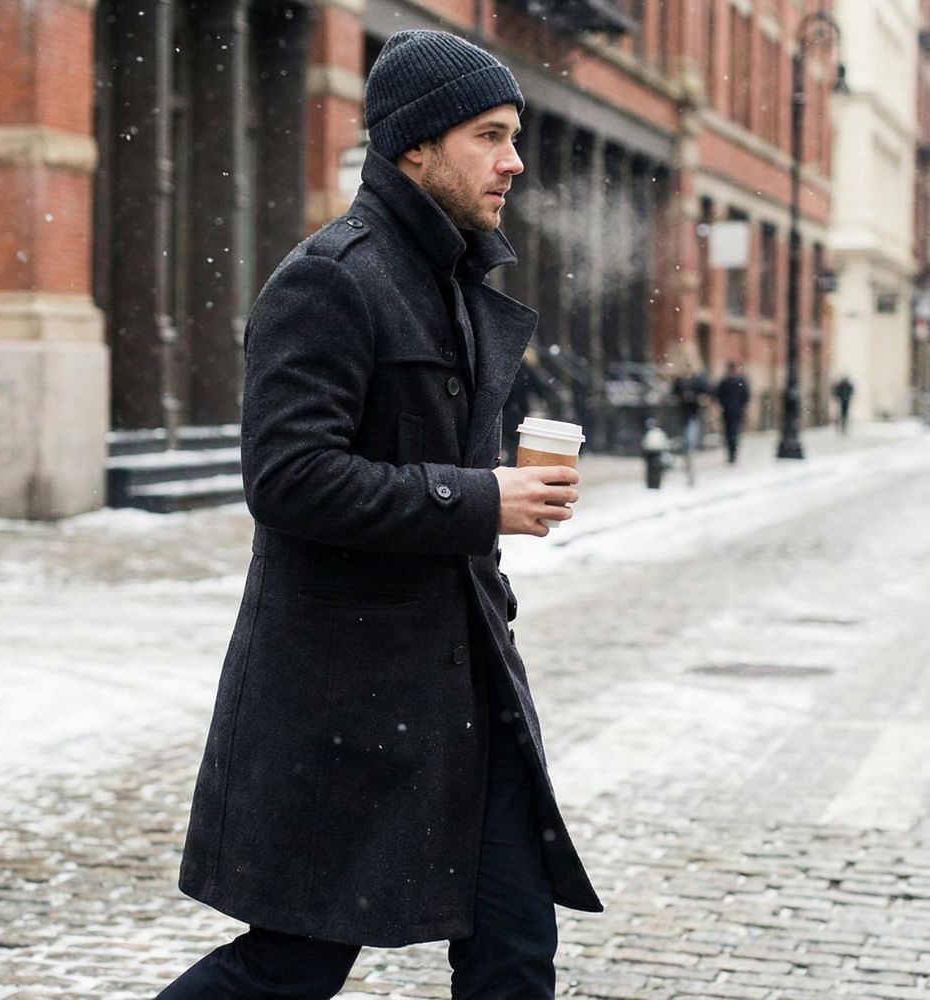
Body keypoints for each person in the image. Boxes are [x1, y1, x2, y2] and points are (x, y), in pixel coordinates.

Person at [155, 29, 601, 1000]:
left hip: (468, 687)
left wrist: (494, 499)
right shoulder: (332, 278)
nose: (513, 161)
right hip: (347, 698)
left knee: (514, 948)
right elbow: (290, 478)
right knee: (291, 963)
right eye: (488, 135)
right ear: (413, 147)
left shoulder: (454, 282)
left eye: (514, 135)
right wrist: (479, 497)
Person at [714, 361, 751, 464]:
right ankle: (731, 452)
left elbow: (746, 396)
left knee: (733, 432)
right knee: (729, 433)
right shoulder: (726, 381)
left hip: (736, 411)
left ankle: (733, 452)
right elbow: (718, 395)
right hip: (728, 411)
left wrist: (741, 406)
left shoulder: (740, 381)